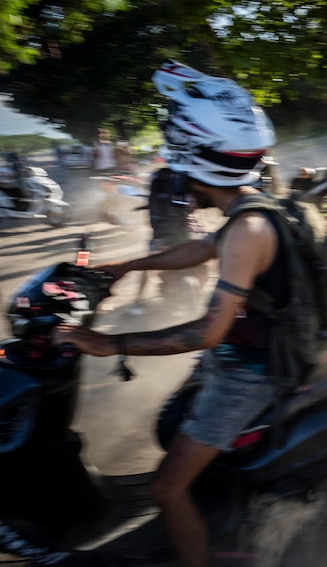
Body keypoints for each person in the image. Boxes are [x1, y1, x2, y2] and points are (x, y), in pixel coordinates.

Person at [53, 60, 282, 567]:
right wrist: (124, 265)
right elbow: (199, 249)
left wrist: (110, 344)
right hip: (254, 351)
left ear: (191, 156)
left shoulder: (248, 228)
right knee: (174, 420)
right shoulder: (252, 207)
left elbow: (208, 329)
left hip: (254, 372)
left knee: (166, 487)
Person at [128, 168, 208, 317]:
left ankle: (137, 301)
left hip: (163, 235)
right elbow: (196, 205)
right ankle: (207, 293)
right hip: (184, 234)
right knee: (207, 252)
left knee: (148, 264)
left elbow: (150, 202)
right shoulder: (189, 176)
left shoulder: (157, 176)